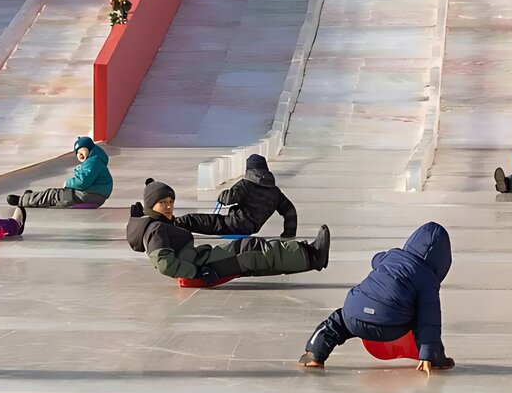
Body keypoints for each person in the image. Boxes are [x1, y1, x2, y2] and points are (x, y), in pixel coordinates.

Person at [299, 222, 454, 374]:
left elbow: (375, 259)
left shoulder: (392, 257)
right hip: (389, 326)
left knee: (336, 323)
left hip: (353, 314)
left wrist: (386, 259)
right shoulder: (428, 281)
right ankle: (434, 358)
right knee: (420, 320)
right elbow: (429, 321)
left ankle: (314, 354)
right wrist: (428, 355)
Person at [125, 179, 330, 284]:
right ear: (152, 205)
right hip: (201, 269)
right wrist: (197, 272)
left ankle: (309, 257)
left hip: (201, 261)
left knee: (253, 260)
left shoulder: (160, 223)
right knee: (251, 249)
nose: (169, 206)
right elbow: (164, 265)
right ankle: (311, 256)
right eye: (163, 203)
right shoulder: (156, 229)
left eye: (170, 202)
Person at [173, 154, 298, 238]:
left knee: (197, 221)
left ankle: (173, 224)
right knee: (212, 222)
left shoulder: (246, 184)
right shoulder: (275, 192)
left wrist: (223, 195)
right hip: (252, 228)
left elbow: (228, 199)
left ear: (249, 170)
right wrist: (289, 233)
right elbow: (290, 211)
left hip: (234, 224)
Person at [10, 137, 113, 209]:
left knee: (52, 195)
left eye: (82, 151)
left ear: (89, 149)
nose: (80, 154)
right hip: (93, 195)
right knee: (56, 196)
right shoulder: (95, 160)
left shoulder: (93, 162)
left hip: (88, 195)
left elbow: (82, 182)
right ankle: (31, 197)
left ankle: (23, 200)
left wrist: (68, 183)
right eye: (77, 153)